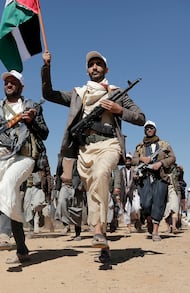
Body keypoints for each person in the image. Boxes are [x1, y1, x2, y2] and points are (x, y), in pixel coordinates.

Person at [41, 50, 145, 263]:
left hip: (109, 144)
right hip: (84, 150)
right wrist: (47, 67)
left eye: (99, 64)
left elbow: (140, 118)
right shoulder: (79, 93)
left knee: (100, 176)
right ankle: (103, 242)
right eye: (91, 64)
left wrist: (118, 110)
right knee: (94, 193)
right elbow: (48, 94)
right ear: (87, 70)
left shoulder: (117, 92)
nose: (95, 67)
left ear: (106, 69)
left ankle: (98, 228)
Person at [0, 70, 49, 264]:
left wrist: (31, 121)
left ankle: (3, 234)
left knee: (8, 185)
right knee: (10, 201)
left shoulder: (31, 106)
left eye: (13, 82)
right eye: (6, 82)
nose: (9, 84)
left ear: (21, 86)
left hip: (25, 157)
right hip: (0, 158)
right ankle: (22, 250)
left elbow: (44, 133)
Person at [132, 120, 176, 241]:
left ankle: (156, 231)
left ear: (155, 130)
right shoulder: (140, 147)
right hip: (145, 178)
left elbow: (172, 158)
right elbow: (133, 160)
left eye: (151, 128)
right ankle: (149, 221)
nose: (149, 130)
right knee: (145, 204)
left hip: (160, 177)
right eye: (147, 128)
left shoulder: (164, 145)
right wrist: (142, 158)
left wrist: (161, 163)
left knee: (159, 202)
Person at [119, 153, 141, 234]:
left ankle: (138, 222)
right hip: (124, 193)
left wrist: (137, 177)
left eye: (129, 160)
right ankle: (128, 228)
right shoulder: (121, 170)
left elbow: (140, 178)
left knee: (137, 208)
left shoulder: (135, 169)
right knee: (126, 210)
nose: (128, 161)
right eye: (126, 160)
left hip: (134, 191)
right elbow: (119, 182)